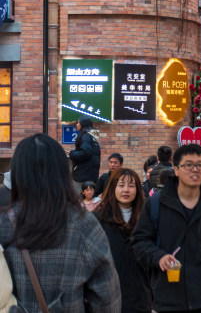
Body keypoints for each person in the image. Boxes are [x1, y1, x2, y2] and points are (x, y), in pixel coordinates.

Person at [0, 133, 120, 312]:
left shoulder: (3, 223)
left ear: (18, 173)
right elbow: (107, 300)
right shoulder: (85, 224)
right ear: (63, 173)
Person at [131, 143, 201, 311]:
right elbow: (139, 242)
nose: (195, 170)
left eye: (200, 165)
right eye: (188, 165)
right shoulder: (156, 203)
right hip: (169, 295)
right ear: (176, 170)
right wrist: (158, 256)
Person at [95, 168, 152, 313]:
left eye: (131, 186)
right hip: (106, 295)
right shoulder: (98, 219)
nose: (126, 190)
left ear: (138, 190)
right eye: (121, 185)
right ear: (113, 187)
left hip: (139, 294)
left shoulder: (146, 218)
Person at [68, 116, 101, 192]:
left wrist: (71, 153)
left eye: (78, 122)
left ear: (83, 124)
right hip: (91, 174)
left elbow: (85, 153)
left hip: (83, 175)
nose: (77, 124)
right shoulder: (92, 136)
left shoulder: (85, 136)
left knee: (79, 199)